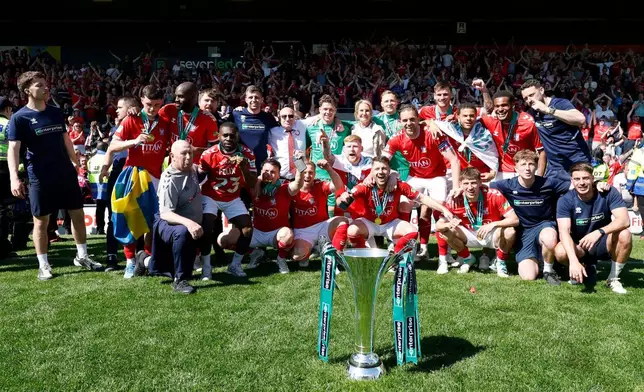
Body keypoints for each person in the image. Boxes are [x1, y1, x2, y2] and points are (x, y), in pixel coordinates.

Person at [7, 71, 102, 280]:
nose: (45, 88)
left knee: (77, 214)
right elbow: (13, 149)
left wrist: (77, 164)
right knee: (41, 221)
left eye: (45, 84)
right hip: (39, 175)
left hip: (65, 172)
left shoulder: (55, 112)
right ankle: (44, 265)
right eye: (39, 85)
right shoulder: (19, 117)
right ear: (27, 91)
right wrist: (14, 177)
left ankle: (82, 256)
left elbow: (65, 138)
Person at [382, 104, 461, 268]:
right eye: (405, 120)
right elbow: (382, 161)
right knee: (403, 204)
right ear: (399, 122)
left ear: (419, 119)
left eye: (412, 119)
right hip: (416, 177)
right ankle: (403, 250)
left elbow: (454, 160)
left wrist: (456, 186)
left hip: (436, 177)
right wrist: (391, 175)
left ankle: (443, 259)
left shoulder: (433, 134)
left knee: (441, 212)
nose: (409, 123)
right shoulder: (397, 138)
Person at [105, 85, 170, 279]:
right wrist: (134, 141)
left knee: (152, 221)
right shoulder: (131, 119)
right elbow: (113, 145)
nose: (152, 109)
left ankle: (148, 259)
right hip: (132, 175)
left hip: (156, 177)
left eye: (157, 105)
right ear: (142, 100)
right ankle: (130, 261)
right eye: (149, 104)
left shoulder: (165, 121)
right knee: (129, 218)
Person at [336, 156, 455, 253]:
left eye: (384, 169)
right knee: (352, 230)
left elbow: (422, 198)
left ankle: (395, 257)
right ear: (371, 172)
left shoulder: (398, 184)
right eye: (377, 169)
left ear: (389, 171)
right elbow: (342, 203)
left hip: (390, 224)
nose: (381, 172)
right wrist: (343, 197)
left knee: (412, 232)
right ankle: (364, 254)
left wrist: (443, 209)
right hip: (370, 222)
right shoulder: (365, 186)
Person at [490, 150, 570, 284]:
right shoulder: (507, 185)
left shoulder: (548, 183)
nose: (527, 168)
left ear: (537, 166)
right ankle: (539, 256)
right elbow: (483, 188)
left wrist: (598, 184)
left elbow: (576, 186)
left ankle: (548, 270)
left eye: (531, 164)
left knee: (549, 238)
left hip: (544, 225)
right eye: (523, 164)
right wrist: (458, 189)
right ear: (515, 167)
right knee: (528, 276)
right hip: (523, 232)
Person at [555, 162, 631, 294]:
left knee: (625, 234)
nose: (582, 183)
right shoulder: (565, 200)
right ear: (572, 181)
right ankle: (582, 267)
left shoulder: (608, 192)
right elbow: (564, 232)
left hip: (603, 242)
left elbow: (624, 220)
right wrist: (573, 260)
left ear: (592, 179)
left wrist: (599, 232)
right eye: (577, 179)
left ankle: (613, 278)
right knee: (560, 251)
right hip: (580, 246)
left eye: (585, 178)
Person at [219, 157, 305, 274]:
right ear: (261, 172)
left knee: (287, 236)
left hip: (277, 233)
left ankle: (281, 259)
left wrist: (299, 162)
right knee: (223, 240)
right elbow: (241, 178)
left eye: (273, 172)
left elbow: (299, 183)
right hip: (256, 232)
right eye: (266, 171)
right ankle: (255, 253)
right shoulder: (254, 186)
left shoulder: (285, 188)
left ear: (279, 175)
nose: (268, 174)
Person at [435, 167, 519, 277]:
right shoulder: (455, 199)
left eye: (473, 183)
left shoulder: (494, 195)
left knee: (510, 232)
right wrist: (448, 224)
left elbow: (515, 219)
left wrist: (493, 224)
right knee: (444, 231)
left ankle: (500, 262)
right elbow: (438, 225)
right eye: (466, 183)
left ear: (480, 182)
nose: (470, 187)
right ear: (460, 184)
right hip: (468, 234)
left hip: (491, 233)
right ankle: (468, 258)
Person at [198, 122, 257, 278]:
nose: (229, 138)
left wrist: (244, 167)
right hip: (211, 196)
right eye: (225, 135)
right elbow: (199, 178)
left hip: (232, 197)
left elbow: (251, 183)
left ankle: (235, 264)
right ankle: (206, 266)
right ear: (218, 136)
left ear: (237, 136)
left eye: (232, 135)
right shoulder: (209, 154)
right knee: (207, 225)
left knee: (247, 229)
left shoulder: (247, 153)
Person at [150, 140, 203, 294]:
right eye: (183, 154)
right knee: (182, 231)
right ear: (172, 156)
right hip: (168, 222)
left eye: (190, 153)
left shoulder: (191, 169)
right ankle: (179, 280)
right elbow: (166, 214)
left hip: (187, 221)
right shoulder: (169, 179)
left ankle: (144, 260)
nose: (188, 157)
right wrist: (190, 223)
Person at [521, 79, 590, 182]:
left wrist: (548, 110)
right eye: (525, 98)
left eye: (532, 95)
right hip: (555, 168)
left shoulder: (560, 103)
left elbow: (581, 119)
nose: (529, 100)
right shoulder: (532, 113)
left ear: (541, 90)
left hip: (577, 161)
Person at [99, 96, 140, 271]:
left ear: (131, 108)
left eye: (120, 107)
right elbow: (111, 149)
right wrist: (104, 169)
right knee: (113, 216)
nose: (116, 110)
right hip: (118, 173)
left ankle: (138, 256)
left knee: (137, 216)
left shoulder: (142, 123)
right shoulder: (117, 128)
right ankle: (111, 257)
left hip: (136, 174)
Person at [475, 82, 546, 180]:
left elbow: (542, 151)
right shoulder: (491, 120)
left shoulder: (527, 122)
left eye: (504, 105)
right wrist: (454, 116)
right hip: (501, 172)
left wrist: (539, 178)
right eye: (497, 106)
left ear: (513, 105)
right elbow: (468, 116)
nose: (500, 109)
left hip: (525, 171)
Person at [159, 82, 219, 163]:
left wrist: (197, 150)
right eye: (176, 96)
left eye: (181, 97)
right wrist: (135, 107)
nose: (176, 99)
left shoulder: (208, 119)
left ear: (194, 97)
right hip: (173, 165)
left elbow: (216, 149)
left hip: (195, 168)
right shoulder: (168, 110)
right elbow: (148, 116)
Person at [0, 97, 14, 258]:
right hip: (4, 168)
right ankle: (3, 245)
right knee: (3, 208)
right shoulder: (9, 124)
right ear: (7, 109)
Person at [87, 142, 110, 235]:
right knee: (110, 209)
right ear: (105, 148)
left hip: (95, 188)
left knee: (99, 209)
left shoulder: (91, 160)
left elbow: (89, 174)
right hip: (107, 185)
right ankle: (110, 229)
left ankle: (100, 229)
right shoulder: (107, 158)